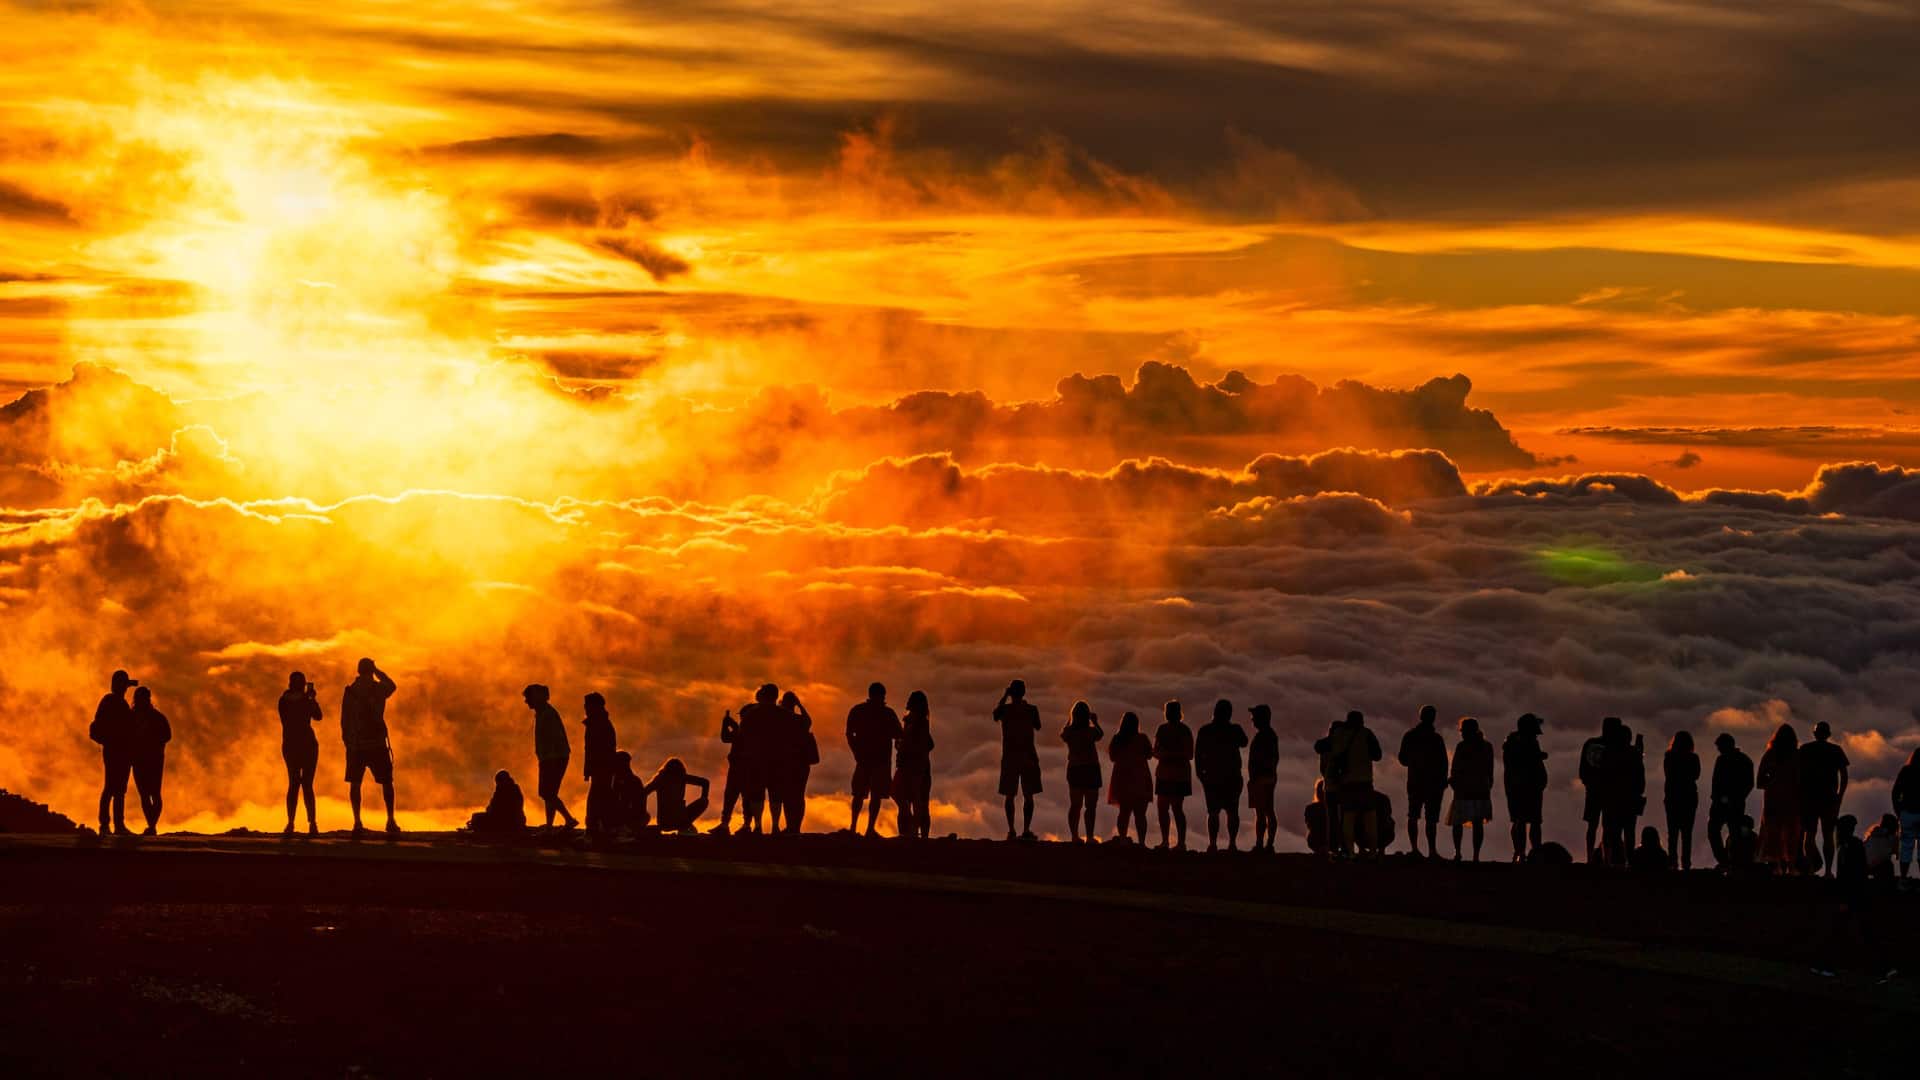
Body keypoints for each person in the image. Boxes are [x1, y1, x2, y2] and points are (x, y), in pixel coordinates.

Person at [340, 658, 399, 836]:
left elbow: (345, 720)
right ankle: (390, 820)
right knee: (387, 782)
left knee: (355, 783)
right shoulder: (378, 689)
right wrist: (378, 670)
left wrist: (348, 743)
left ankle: (357, 822)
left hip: (357, 745)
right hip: (377, 743)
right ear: (370, 670)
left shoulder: (351, 692)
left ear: (358, 670)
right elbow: (392, 685)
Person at [1321, 710, 1382, 857]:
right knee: (1369, 818)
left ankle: (1349, 851)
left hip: (1347, 783)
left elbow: (1319, 746)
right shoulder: (1367, 734)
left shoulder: (1340, 735)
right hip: (1366, 782)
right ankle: (1373, 852)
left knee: (1348, 818)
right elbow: (1378, 755)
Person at [846, 683, 902, 837]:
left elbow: (849, 734)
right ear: (883, 695)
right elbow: (899, 735)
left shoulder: (858, 711)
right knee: (874, 795)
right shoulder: (887, 713)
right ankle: (868, 828)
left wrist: (856, 751)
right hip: (880, 760)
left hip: (864, 759)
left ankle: (854, 826)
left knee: (859, 794)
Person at [1798, 721, 1851, 878]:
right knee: (1828, 835)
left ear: (1815, 734)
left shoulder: (1805, 749)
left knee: (1809, 835)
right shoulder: (1835, 750)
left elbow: (1797, 774)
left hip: (1809, 799)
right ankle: (1828, 871)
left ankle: (1809, 869)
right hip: (1829, 799)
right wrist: (1839, 796)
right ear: (1828, 734)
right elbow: (1844, 775)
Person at [1194, 699, 1247, 852]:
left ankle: (1213, 844)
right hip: (1231, 778)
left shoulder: (1205, 731)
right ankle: (1232, 844)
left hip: (1212, 778)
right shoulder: (1234, 730)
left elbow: (1198, 755)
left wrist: (1200, 774)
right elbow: (1244, 742)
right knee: (1232, 811)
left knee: (1213, 812)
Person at [993, 680, 1043, 841]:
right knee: (1029, 795)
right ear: (1024, 692)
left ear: (1011, 692)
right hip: (1029, 756)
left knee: (1009, 795)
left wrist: (1005, 696)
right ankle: (1026, 830)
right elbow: (1038, 726)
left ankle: (1012, 830)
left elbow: (995, 715)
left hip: (1010, 757)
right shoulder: (1031, 710)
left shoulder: (1005, 710)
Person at [524, 684, 578, 830]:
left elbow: (556, 738)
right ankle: (550, 824)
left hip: (553, 758)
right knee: (549, 793)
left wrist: (551, 760)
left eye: (528, 697)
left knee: (547, 792)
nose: (526, 701)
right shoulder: (544, 712)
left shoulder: (548, 714)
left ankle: (568, 819)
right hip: (550, 758)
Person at [1397, 705, 1448, 858]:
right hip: (1433, 784)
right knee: (1431, 818)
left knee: (1413, 815)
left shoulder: (1410, 736)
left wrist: (1415, 762)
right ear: (1433, 718)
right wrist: (1442, 781)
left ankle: (1414, 849)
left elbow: (1402, 759)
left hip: (1415, 781)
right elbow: (1443, 763)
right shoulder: (1436, 739)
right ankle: (1432, 851)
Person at [90, 670, 136, 836]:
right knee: (112, 787)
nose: (125, 689)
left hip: (120, 750)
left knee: (117, 789)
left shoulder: (117, 703)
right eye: (124, 685)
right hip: (114, 750)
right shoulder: (111, 701)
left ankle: (114, 825)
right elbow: (98, 726)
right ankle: (109, 825)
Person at [278, 672, 322, 836]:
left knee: (293, 783)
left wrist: (307, 699)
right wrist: (311, 698)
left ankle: (290, 823)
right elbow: (318, 716)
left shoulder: (283, 701)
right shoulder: (306, 700)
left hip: (290, 744)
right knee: (307, 785)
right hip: (307, 744)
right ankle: (312, 824)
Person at [734, 685, 782, 834]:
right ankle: (775, 826)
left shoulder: (751, 715)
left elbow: (742, 736)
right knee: (775, 794)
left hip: (756, 759)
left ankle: (758, 826)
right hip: (776, 759)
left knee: (757, 795)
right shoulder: (783, 714)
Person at [1755, 723, 1802, 873]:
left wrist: (1773, 780)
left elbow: (1760, 781)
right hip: (1792, 800)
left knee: (1773, 833)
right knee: (1791, 833)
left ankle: (1776, 865)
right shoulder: (1797, 755)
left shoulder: (1770, 754)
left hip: (1773, 800)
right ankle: (1791, 866)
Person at [1445, 716, 1494, 861]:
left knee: (1457, 822)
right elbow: (1489, 769)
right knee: (1477, 823)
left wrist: (1453, 782)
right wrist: (1488, 784)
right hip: (1480, 789)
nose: (1462, 734)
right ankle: (1475, 855)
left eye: (1463, 731)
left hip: (1463, 789)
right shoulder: (1486, 746)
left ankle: (1458, 852)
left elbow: (1455, 768)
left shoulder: (1462, 746)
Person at [1501, 713, 1548, 862]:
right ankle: (1526, 852)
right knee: (1527, 820)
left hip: (1524, 787)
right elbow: (1523, 763)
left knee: (1523, 820)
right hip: (1524, 787)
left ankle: (1523, 852)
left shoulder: (1514, 742)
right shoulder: (1521, 743)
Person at [128, 686, 171, 836]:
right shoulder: (132, 717)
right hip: (142, 760)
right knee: (146, 795)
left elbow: (167, 736)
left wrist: (151, 742)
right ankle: (152, 826)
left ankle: (151, 825)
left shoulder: (155, 717)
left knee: (153, 794)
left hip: (152, 760)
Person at [1152, 700, 1194, 850]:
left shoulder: (1180, 730)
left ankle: (1179, 842)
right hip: (1169, 774)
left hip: (1175, 774)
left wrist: (1168, 755)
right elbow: (1155, 750)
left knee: (1174, 808)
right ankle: (1167, 841)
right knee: (1165, 808)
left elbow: (1189, 754)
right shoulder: (1168, 729)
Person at [1707, 733, 1754, 867]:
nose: (1719, 749)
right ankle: (1732, 861)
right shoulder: (1745, 760)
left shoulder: (1723, 760)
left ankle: (1727, 861)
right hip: (1733, 803)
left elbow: (1716, 782)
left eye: (1720, 746)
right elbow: (1749, 784)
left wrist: (1719, 798)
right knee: (1733, 834)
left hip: (1725, 804)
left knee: (1717, 832)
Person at [772, 690, 816, 834]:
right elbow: (809, 721)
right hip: (801, 764)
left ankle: (791, 826)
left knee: (787, 796)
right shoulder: (799, 720)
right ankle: (795, 826)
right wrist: (800, 705)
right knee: (798, 796)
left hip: (786, 763)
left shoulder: (781, 719)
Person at [1060, 701, 1104, 843]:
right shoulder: (1091, 732)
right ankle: (1090, 837)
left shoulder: (1069, 733)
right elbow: (1100, 734)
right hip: (1091, 769)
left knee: (1075, 805)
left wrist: (1069, 720)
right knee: (1090, 807)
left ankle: (1074, 836)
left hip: (1075, 770)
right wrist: (1095, 721)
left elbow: (1063, 733)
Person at [1106, 711, 1153, 844]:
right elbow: (1150, 754)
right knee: (1140, 814)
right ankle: (1142, 842)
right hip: (1140, 778)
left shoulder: (1117, 739)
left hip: (1122, 778)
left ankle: (1122, 838)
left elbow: (1112, 757)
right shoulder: (1142, 739)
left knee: (1124, 812)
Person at [894, 691, 935, 839]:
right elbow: (930, 744)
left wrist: (907, 748)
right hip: (914, 765)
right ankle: (916, 833)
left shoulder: (918, 722)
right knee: (915, 801)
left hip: (915, 766)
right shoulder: (916, 721)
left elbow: (928, 744)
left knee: (915, 801)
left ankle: (913, 833)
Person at [1577, 717, 1619, 864]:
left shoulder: (1590, 744)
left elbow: (1582, 769)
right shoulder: (1616, 748)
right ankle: (1606, 859)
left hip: (1593, 791)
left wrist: (1588, 783)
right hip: (1609, 792)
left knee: (1592, 826)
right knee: (1607, 827)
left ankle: (1590, 857)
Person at [1600, 722, 1640, 867]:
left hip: (1612, 800)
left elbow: (1603, 776)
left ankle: (1617, 862)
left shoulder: (1608, 753)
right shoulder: (1634, 753)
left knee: (1615, 834)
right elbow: (1640, 778)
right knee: (1629, 833)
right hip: (1629, 799)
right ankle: (1629, 862)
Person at [1663, 731, 1701, 870]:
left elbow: (1668, 774)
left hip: (1672, 797)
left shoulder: (1669, 756)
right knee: (1687, 833)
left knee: (1672, 833)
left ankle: (1672, 862)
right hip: (1689, 797)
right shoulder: (1693, 758)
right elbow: (1696, 775)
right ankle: (1686, 863)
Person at [582, 691, 617, 836]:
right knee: (599, 797)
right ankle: (597, 828)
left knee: (597, 797)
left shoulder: (598, 724)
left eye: (587, 705)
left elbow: (594, 749)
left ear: (595, 706)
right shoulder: (598, 722)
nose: (585, 707)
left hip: (602, 767)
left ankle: (594, 829)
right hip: (601, 767)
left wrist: (589, 768)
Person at [645, 758, 711, 834]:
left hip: (664, 823)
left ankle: (685, 826)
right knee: (704, 801)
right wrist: (704, 797)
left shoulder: (661, 779)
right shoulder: (680, 777)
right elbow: (705, 783)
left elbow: (644, 793)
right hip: (678, 820)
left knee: (703, 801)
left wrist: (644, 813)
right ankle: (685, 827)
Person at [1246, 705, 1279, 853]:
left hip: (1261, 778)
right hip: (1267, 777)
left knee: (1263, 812)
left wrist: (1256, 775)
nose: (1252, 720)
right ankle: (1267, 844)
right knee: (1267, 811)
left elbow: (1268, 759)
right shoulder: (1270, 735)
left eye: (1254, 717)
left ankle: (1262, 844)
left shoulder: (1264, 736)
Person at [714, 709, 746, 835]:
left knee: (732, 796)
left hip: (739, 768)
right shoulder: (747, 730)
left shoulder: (744, 730)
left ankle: (726, 824)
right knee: (741, 796)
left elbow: (725, 737)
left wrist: (727, 724)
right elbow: (727, 737)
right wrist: (731, 725)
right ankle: (745, 825)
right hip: (743, 767)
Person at [467, 770, 526, 834]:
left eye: (497, 782)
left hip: (507, 821)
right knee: (478, 817)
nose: (497, 784)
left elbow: (495, 808)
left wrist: (489, 809)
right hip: (518, 820)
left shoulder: (503, 790)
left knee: (477, 817)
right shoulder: (515, 788)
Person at [609, 751, 651, 831]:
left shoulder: (618, 780)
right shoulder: (634, 780)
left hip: (626, 817)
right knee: (646, 816)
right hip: (627, 817)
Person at [1895, 749, 1920, 879]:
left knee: (1905, 849)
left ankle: (1903, 879)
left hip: (1907, 814)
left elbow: (1895, 792)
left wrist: (1898, 811)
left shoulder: (1906, 771)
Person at [1864, 814, 1900, 883]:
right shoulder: (1893, 838)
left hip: (1864, 866)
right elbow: (1897, 855)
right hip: (1879, 867)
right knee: (1888, 865)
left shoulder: (1872, 835)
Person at [1304, 780, 1329, 855]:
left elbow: (1308, 825)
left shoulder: (1310, 808)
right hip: (1330, 839)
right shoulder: (1332, 808)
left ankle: (1320, 848)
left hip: (1314, 840)